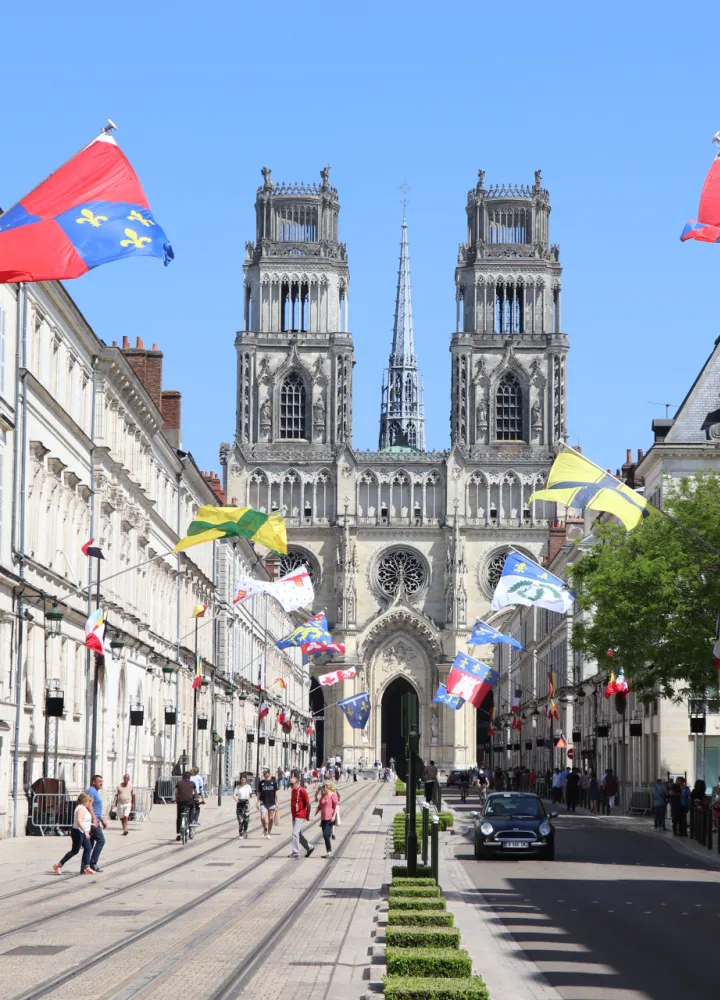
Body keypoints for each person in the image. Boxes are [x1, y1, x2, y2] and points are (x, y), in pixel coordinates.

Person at [54, 792, 94, 874]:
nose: (90, 802)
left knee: (88, 848)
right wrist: (86, 832)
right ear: (85, 800)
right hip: (78, 832)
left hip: (82, 832)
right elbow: (79, 821)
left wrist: (90, 824)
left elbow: (83, 820)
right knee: (75, 851)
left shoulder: (82, 808)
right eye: (89, 800)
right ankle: (58, 865)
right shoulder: (81, 808)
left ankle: (86, 867)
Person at [289, 773, 315, 858]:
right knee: (298, 835)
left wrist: (307, 814)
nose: (290, 786)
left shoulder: (302, 790)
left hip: (300, 815)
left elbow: (308, 804)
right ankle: (309, 847)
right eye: (290, 784)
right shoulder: (293, 791)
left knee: (295, 833)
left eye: (292, 784)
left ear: (297, 783)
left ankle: (295, 852)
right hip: (294, 815)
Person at [86, 774, 108, 872]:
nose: (101, 783)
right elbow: (89, 805)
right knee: (101, 841)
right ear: (93, 782)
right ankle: (92, 863)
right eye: (99, 781)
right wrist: (94, 819)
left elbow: (96, 808)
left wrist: (102, 819)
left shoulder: (95, 791)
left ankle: (85, 865)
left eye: (102, 781)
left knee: (90, 844)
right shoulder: (91, 791)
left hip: (94, 820)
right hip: (92, 821)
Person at [315, 780, 339, 859]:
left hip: (330, 818)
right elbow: (319, 807)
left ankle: (330, 852)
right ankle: (329, 852)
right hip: (323, 818)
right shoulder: (323, 796)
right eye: (322, 786)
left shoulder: (333, 795)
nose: (322, 788)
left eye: (324, 786)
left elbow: (336, 806)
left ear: (328, 787)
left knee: (325, 835)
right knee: (326, 836)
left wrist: (334, 816)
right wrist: (313, 815)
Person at [175, 771, 198, 841]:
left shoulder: (179, 783)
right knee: (192, 807)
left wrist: (176, 800)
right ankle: (190, 821)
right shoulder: (192, 783)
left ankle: (178, 833)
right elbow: (196, 793)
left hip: (180, 802)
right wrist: (196, 798)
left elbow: (176, 793)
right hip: (189, 802)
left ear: (183, 777)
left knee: (179, 816)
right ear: (189, 777)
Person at [257, 767, 279, 838]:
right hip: (263, 802)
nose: (264, 774)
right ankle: (265, 828)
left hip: (272, 802)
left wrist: (277, 802)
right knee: (263, 817)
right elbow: (259, 793)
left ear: (269, 773)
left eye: (265, 773)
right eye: (263, 773)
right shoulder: (261, 783)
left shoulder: (273, 782)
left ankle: (269, 833)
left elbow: (276, 792)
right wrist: (257, 802)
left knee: (270, 818)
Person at [233, 773, 253, 839]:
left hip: (246, 803)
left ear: (246, 780)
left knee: (246, 819)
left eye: (244, 779)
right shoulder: (237, 787)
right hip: (240, 803)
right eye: (242, 779)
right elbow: (234, 795)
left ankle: (245, 831)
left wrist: (248, 797)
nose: (243, 780)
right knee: (240, 820)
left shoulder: (248, 786)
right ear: (240, 780)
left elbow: (251, 794)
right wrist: (237, 800)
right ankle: (240, 833)